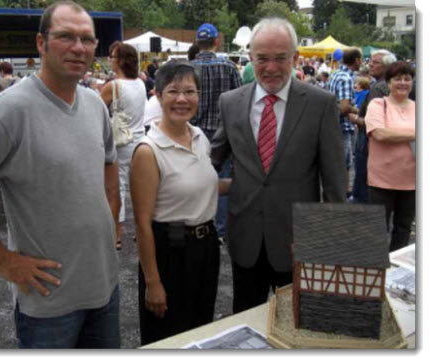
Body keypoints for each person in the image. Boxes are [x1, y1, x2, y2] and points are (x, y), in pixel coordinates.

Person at [0, 1, 121, 349]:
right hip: (48, 304)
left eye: (87, 39)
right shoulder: (7, 112)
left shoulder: (93, 104)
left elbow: (108, 164)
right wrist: (4, 261)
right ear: (41, 44)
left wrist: (112, 222)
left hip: (105, 289)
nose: (79, 47)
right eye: (65, 37)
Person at [211, 18, 346, 314]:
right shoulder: (231, 102)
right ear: (250, 58)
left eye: (280, 58)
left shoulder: (320, 104)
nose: (271, 67)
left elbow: (335, 184)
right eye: (262, 58)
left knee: (300, 322)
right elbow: (212, 159)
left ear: (295, 58)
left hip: (298, 242)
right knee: (245, 321)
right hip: (245, 239)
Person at [131, 60, 229, 345]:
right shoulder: (148, 151)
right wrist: (153, 282)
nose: (182, 99)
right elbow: (142, 223)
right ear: (158, 96)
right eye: (173, 91)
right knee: (169, 337)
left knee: (200, 330)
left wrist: (248, 188)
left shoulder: (199, 137)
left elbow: (202, 187)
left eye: (190, 91)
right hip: (170, 253)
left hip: (205, 248)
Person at [191, 23, 243, 243]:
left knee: (194, 177)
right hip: (224, 130)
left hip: (195, 130)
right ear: (217, 41)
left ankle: (198, 220)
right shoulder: (229, 67)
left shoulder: (189, 67)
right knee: (222, 177)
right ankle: (220, 229)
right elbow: (240, 99)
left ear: (197, 43)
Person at [100, 41, 147, 250]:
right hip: (140, 141)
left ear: (120, 61)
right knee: (139, 190)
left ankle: (116, 236)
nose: (110, 59)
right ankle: (143, 231)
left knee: (116, 191)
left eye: (112, 56)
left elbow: (96, 110)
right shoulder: (140, 83)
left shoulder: (113, 86)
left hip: (120, 143)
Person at [365, 61, 415, 253]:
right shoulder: (378, 105)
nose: (403, 83)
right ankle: (376, 271)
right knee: (377, 229)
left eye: (407, 79)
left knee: (403, 229)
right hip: (382, 180)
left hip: (411, 181)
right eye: (397, 79)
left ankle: (395, 269)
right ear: (388, 83)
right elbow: (380, 134)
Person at [348, 49, 396, 203]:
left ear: (387, 66)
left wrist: (354, 117)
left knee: (363, 179)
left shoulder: (378, 88)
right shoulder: (388, 85)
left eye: (375, 62)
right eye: (370, 61)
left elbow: (371, 122)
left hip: (368, 140)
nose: (370, 65)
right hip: (384, 143)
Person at [328, 47, 362, 198]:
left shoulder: (335, 74)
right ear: (356, 60)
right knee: (344, 164)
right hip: (342, 126)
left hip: (333, 125)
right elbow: (344, 107)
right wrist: (359, 111)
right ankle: (342, 196)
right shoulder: (346, 78)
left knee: (338, 163)